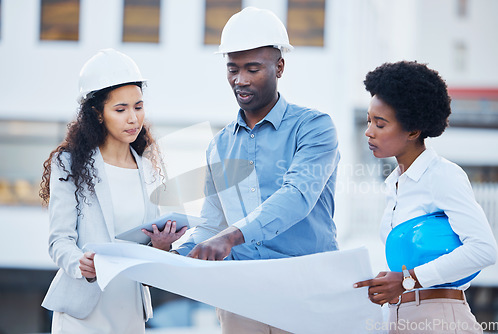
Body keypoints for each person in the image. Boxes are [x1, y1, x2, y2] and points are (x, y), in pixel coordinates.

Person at [172, 7, 340, 333]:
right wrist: (172, 252)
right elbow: (212, 225)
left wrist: (231, 237)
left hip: (307, 292)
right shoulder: (219, 145)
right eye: (232, 69)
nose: (241, 80)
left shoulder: (314, 128)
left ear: (279, 67)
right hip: (242, 297)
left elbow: (296, 197)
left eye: (253, 69)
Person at [40, 48, 186, 333]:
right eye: (121, 110)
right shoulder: (70, 163)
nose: (133, 118)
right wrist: (79, 262)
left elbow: (147, 246)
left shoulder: (149, 168)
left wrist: (161, 247)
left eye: (138, 106)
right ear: (97, 113)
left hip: (129, 310)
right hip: (81, 314)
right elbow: (59, 241)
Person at [354, 61, 497, 333]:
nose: (368, 132)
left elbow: (484, 250)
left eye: (380, 124)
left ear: (413, 131)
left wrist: (409, 280)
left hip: (440, 319)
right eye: (369, 120)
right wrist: (390, 282)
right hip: (401, 318)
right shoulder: (394, 183)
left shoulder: (442, 175)